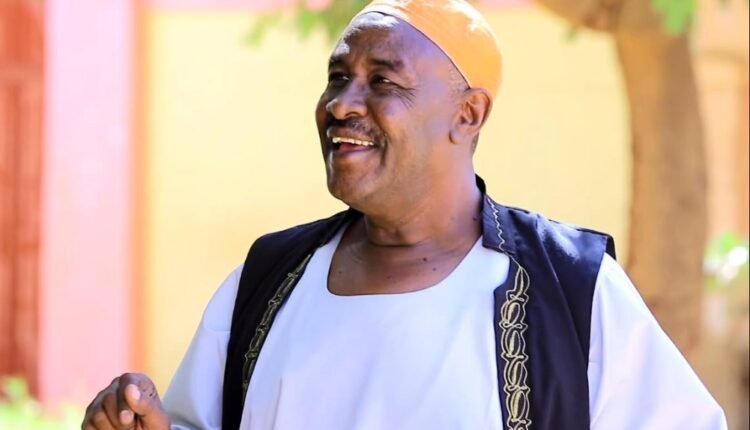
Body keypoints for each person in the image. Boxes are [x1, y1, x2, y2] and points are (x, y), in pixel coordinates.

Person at [81, 1, 727, 429]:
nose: (341, 104)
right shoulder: (267, 283)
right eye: (338, 77)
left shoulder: (570, 289)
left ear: (468, 113)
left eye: (382, 81)